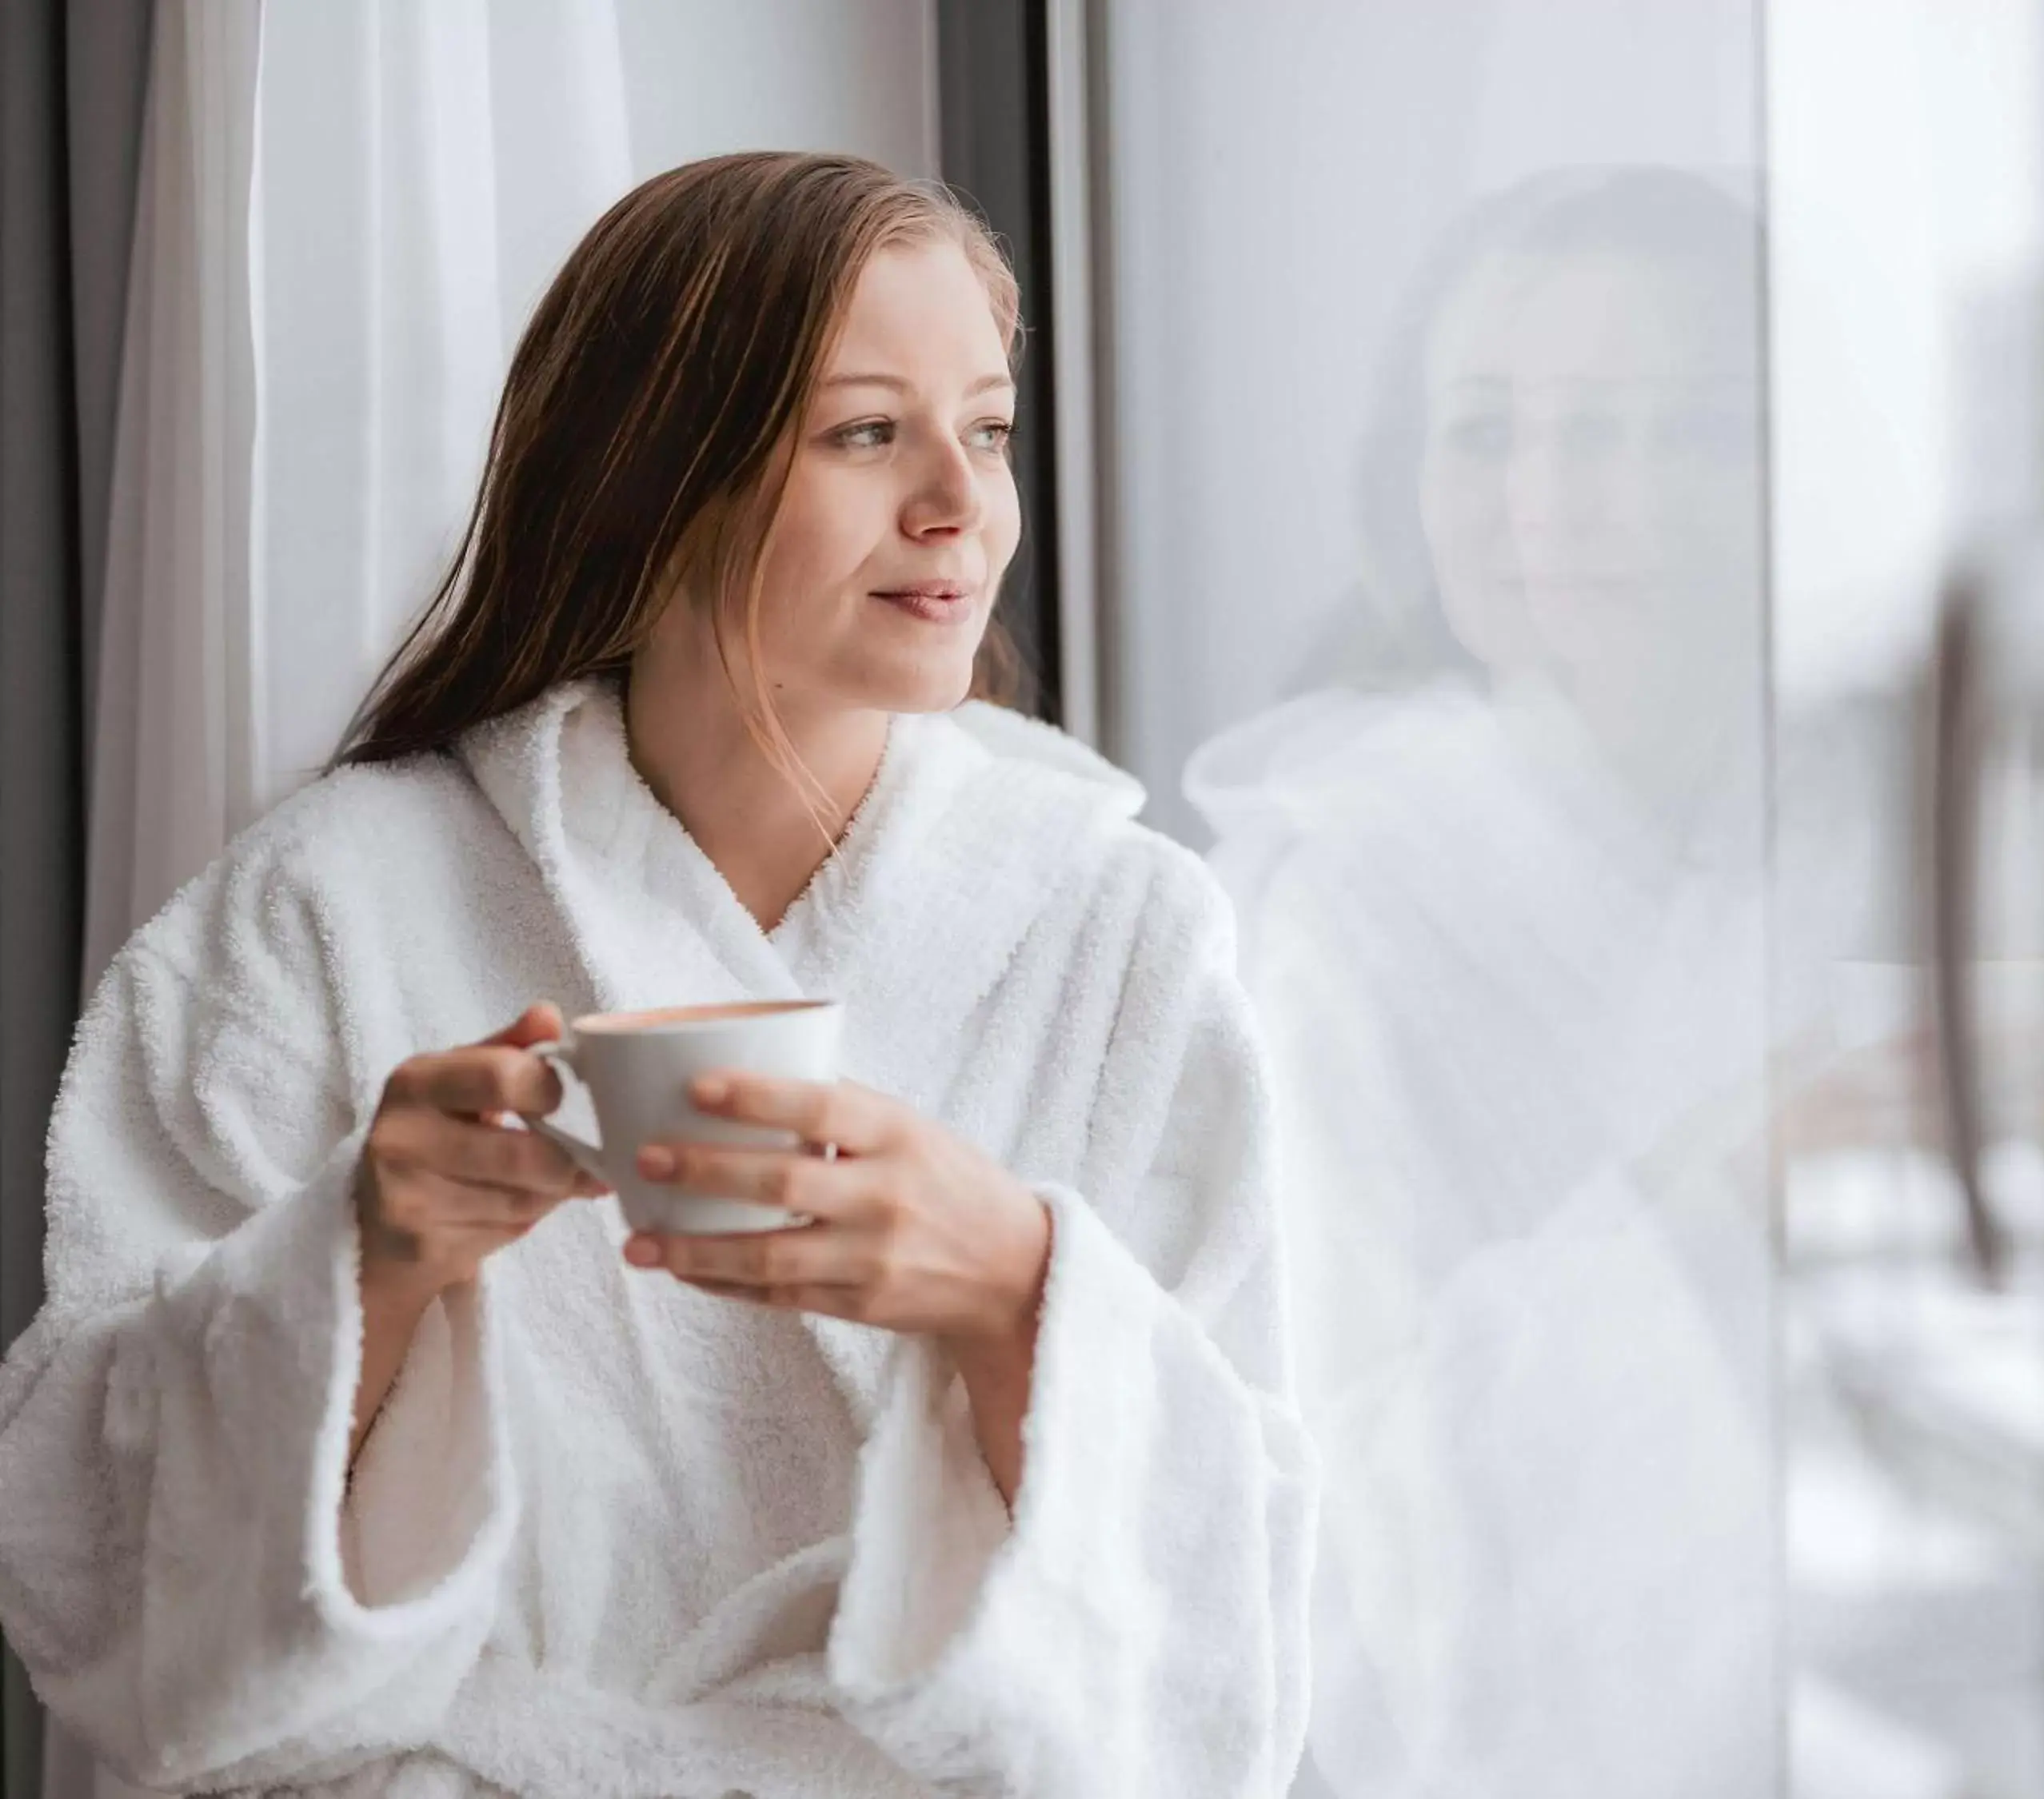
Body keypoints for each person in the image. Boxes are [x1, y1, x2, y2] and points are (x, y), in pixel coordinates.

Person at [0, 152, 1315, 1799]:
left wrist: (1014, 1288)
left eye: (985, 429)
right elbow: (77, 1539)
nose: (960, 507)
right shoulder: (324, 908)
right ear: (657, 473)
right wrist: (368, 1257)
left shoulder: (1122, 933)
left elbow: (1243, 1598)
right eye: (865, 432)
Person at [1185, 168, 1790, 1797]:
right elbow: (1372, 1535)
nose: (1573, 502)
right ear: (1410, 490)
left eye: (1678, 429)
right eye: (1491, 432)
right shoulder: (1334, 913)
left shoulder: (1875, 838)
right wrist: (1718, 1185)